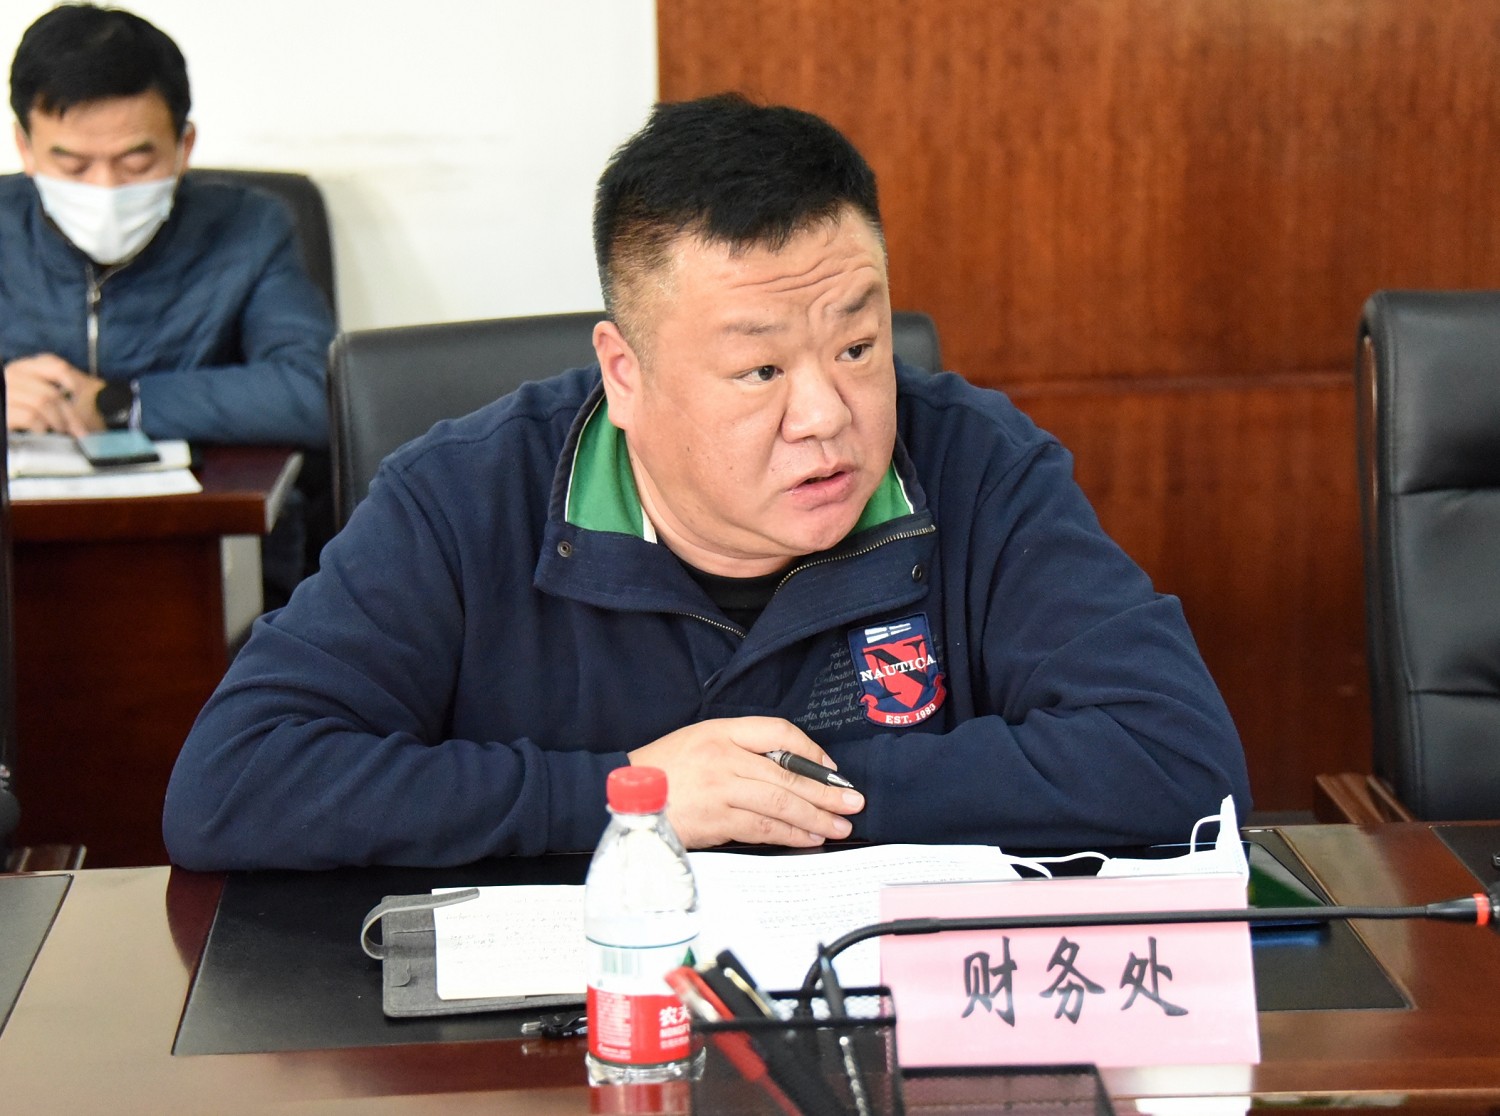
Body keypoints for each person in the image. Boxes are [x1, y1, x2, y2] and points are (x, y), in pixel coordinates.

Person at [163, 94, 1251, 871]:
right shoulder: (464, 497)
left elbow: (1179, 759)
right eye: (760, 370)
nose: (826, 415)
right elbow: (235, 783)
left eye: (858, 347)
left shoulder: (975, 464)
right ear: (625, 373)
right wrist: (629, 798)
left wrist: (781, 797)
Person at [1, 5, 333, 598]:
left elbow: (313, 392)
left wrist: (117, 402)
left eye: (136, 161)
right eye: (71, 165)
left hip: (205, 555)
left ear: (184, 144)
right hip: (20, 558)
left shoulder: (249, 228)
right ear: (25, 147)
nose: (104, 189)